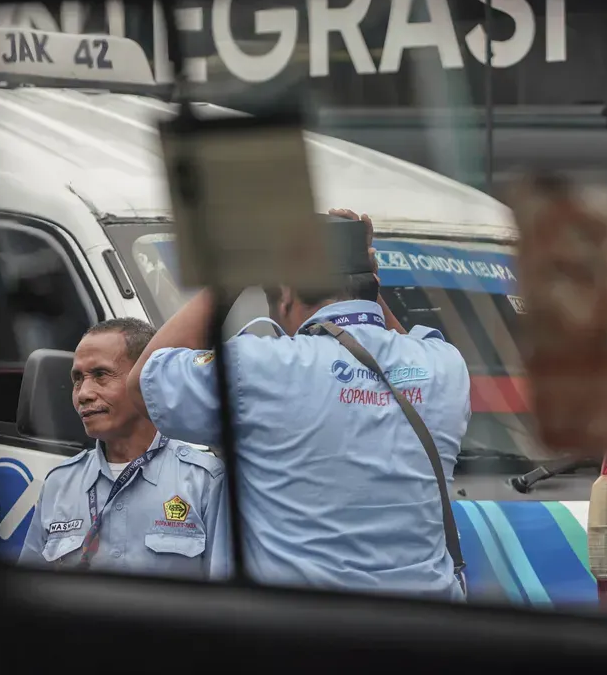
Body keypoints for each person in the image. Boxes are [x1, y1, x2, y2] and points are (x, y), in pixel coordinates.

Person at [127, 209, 472, 600]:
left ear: (287, 294)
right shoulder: (446, 368)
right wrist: (361, 273)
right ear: (372, 281)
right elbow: (391, 345)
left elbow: (142, 382)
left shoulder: (260, 366)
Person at [19, 317, 231, 580]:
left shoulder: (205, 481)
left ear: (145, 378)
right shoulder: (58, 484)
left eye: (100, 375)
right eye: (77, 379)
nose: (83, 393)